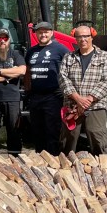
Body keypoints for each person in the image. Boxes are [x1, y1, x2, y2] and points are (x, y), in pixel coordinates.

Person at [59, 24, 107, 155]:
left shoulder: (104, 56)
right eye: (79, 36)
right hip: (72, 105)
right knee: (68, 139)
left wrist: (88, 100)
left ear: (92, 37)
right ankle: (66, 170)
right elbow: (63, 79)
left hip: (96, 105)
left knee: (98, 138)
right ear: (75, 38)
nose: (83, 39)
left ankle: (102, 169)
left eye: (86, 36)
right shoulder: (68, 57)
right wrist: (77, 99)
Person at [26, 21, 70, 154]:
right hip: (35, 97)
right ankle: (40, 160)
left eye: (46, 32)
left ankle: (54, 160)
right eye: (40, 32)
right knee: (37, 131)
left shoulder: (61, 49)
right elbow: (27, 72)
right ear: (36, 34)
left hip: (53, 96)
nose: (43, 34)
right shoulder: (32, 51)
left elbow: (71, 69)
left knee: (52, 131)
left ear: (51, 33)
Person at [0, 28, 26, 153]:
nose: (2, 41)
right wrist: (9, 75)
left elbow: (22, 71)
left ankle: (14, 153)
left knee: (13, 128)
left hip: (12, 98)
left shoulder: (16, 54)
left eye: (5, 38)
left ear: (9, 41)